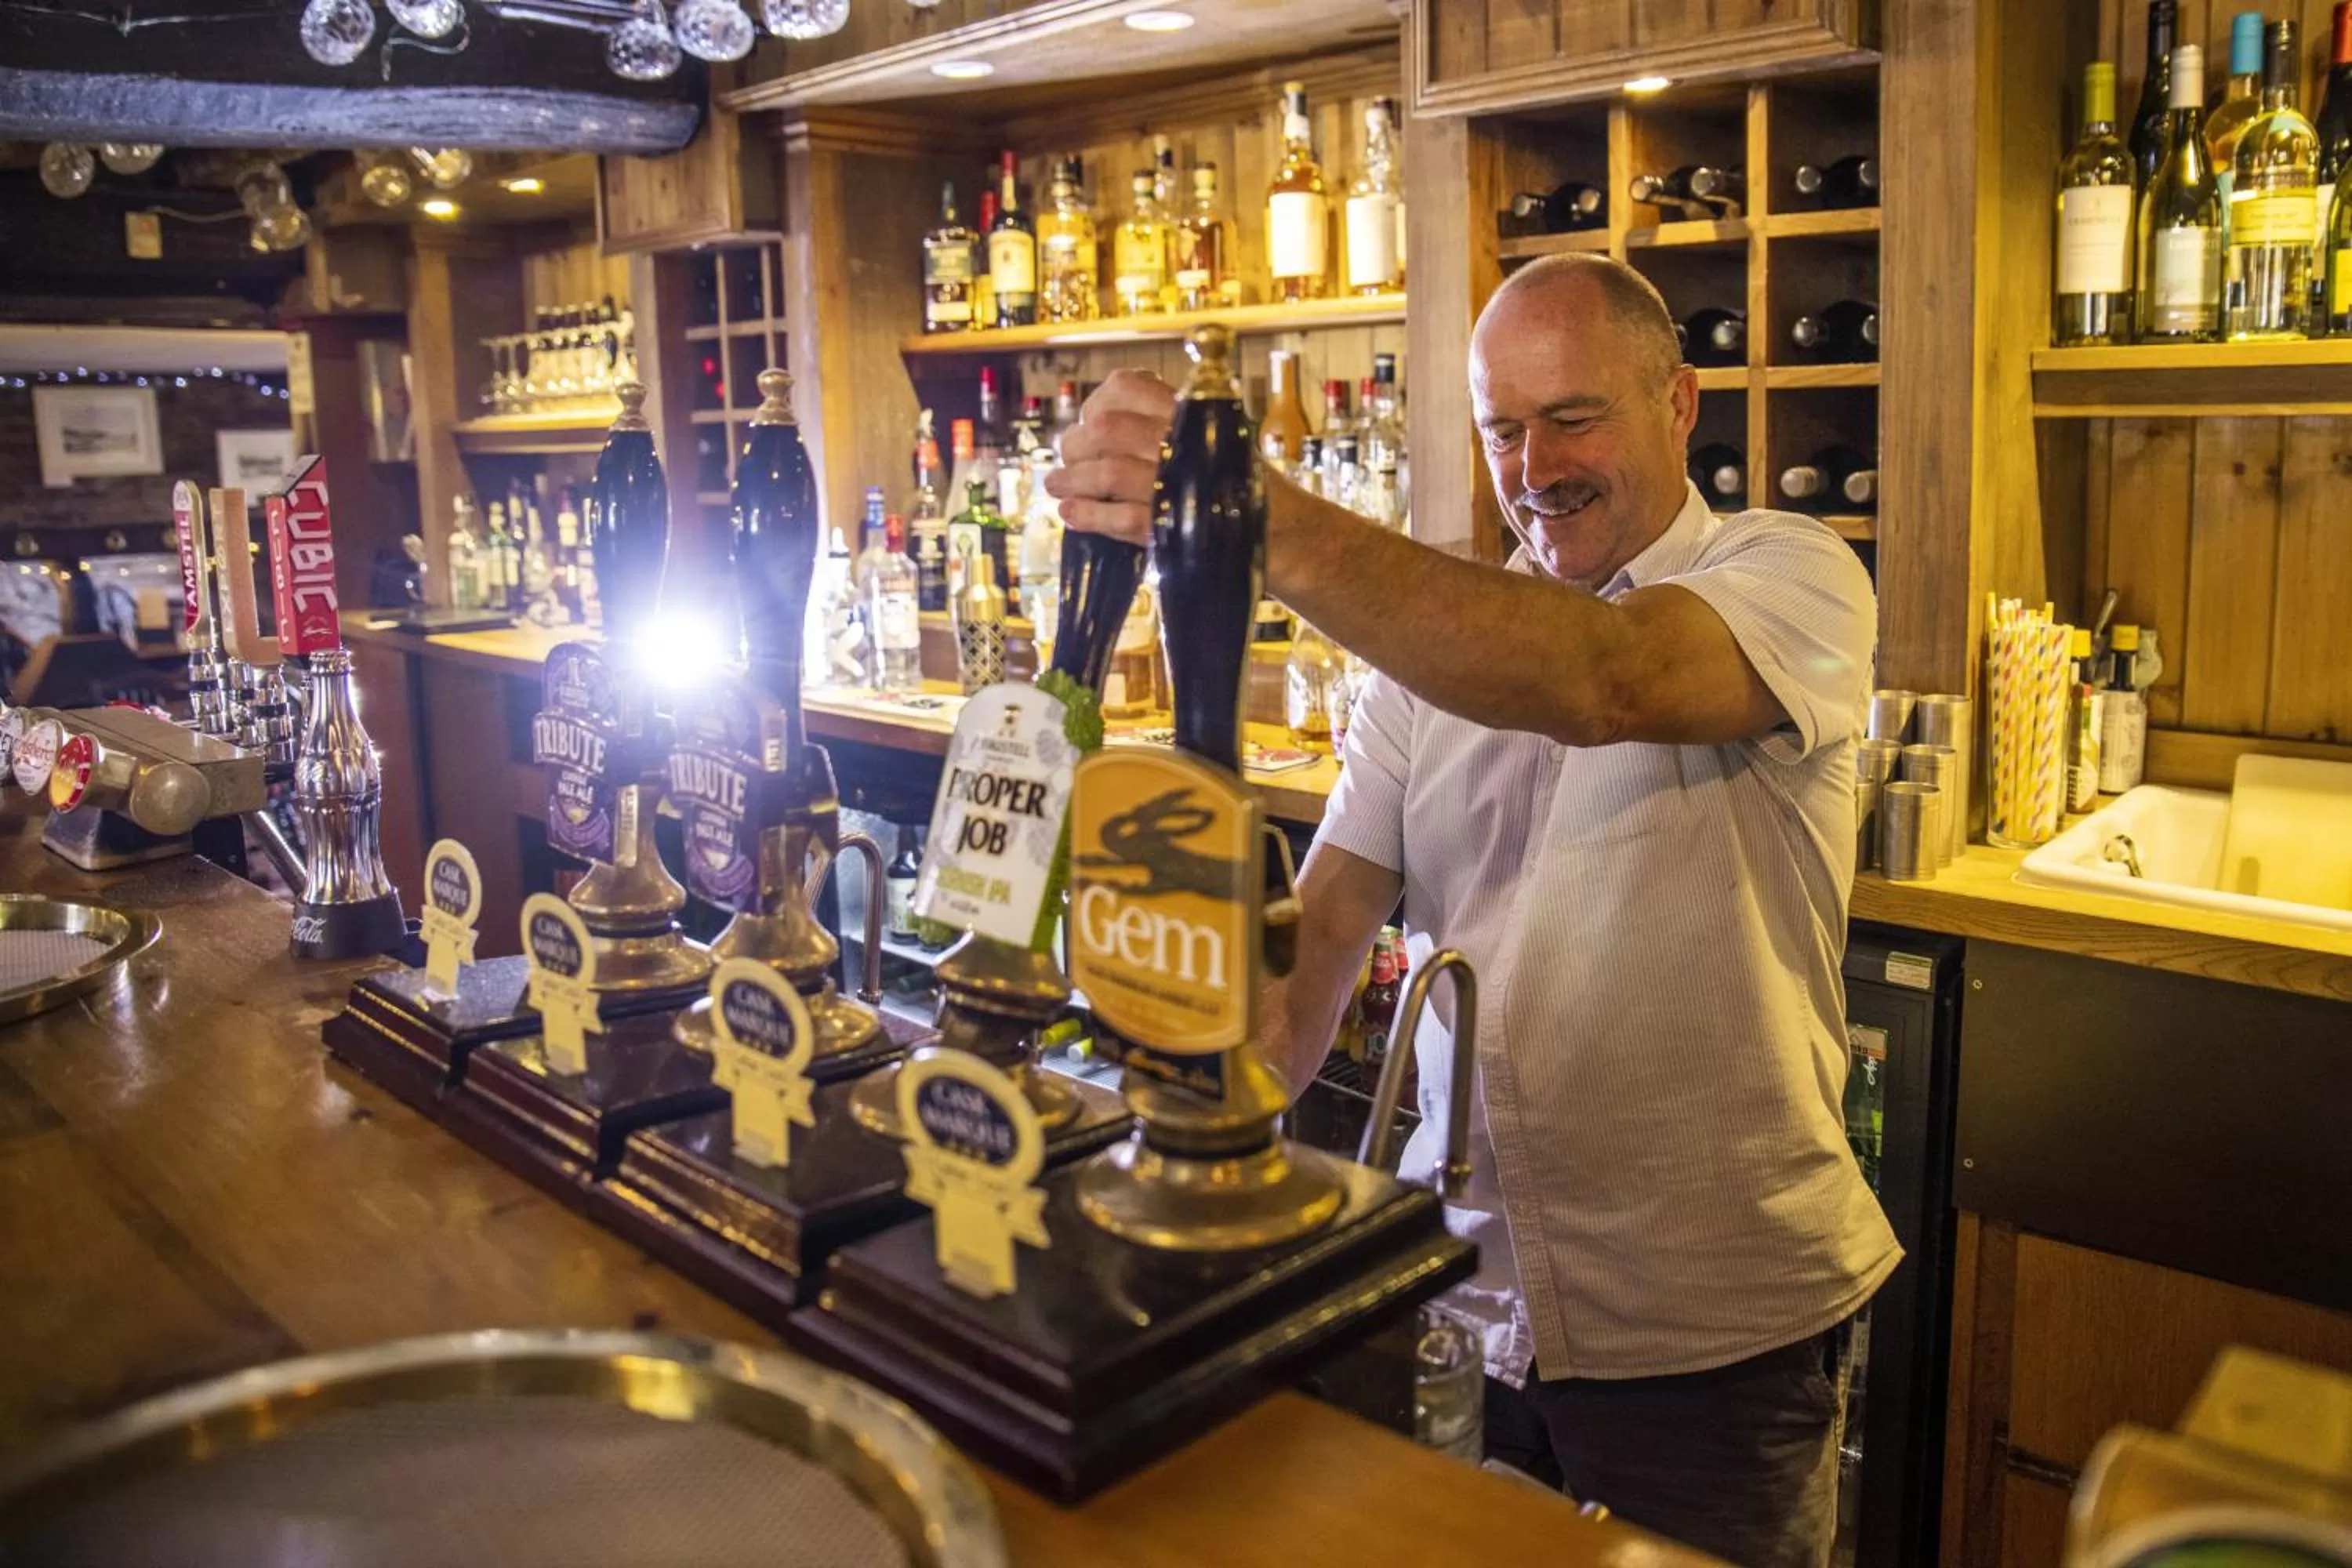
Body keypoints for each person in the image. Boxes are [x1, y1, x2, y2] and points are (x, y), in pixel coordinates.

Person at [1047, 252, 1898, 1568]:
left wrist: (1255, 518)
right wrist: (1189, 1104)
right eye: (1503, 427)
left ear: (1679, 404)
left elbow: (1606, 681)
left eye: (1575, 418)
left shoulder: (1792, 576)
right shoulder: (1420, 662)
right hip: (1464, 1299)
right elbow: (1327, 932)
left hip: (1710, 1325)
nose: (1533, 464)